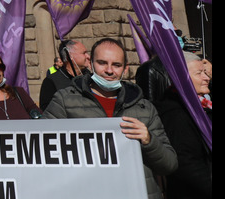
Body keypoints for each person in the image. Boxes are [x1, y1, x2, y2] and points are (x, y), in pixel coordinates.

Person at [44, 38, 177, 199]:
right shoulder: (65, 101)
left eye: (116, 65)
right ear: (91, 64)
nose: (109, 70)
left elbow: (169, 165)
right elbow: (43, 152)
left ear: (125, 69)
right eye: (102, 63)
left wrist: (149, 140)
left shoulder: (144, 108)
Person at [153, 54, 212, 199]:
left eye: (205, 72)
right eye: (199, 73)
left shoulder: (201, 106)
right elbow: (186, 164)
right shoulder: (176, 113)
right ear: (181, 78)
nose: (206, 78)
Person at [39, 39, 90, 111]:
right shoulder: (51, 81)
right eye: (84, 53)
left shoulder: (90, 77)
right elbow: (47, 112)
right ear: (70, 56)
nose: (88, 56)